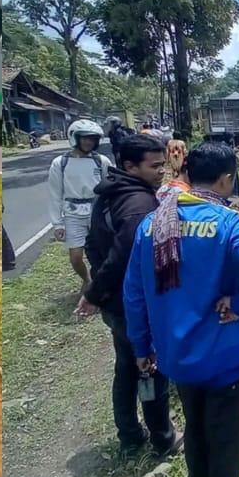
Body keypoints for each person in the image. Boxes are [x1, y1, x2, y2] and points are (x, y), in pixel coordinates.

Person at [122, 141, 239, 477]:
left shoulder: (152, 224)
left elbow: (134, 294)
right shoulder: (230, 224)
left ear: (189, 174)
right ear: (227, 179)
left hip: (177, 358)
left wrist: (141, 348)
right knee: (228, 441)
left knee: (195, 429)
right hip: (224, 359)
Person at [76, 135, 180, 457]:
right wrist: (95, 293)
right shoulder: (139, 206)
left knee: (125, 368)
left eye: (163, 164)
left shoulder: (110, 192)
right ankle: (163, 438)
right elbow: (121, 258)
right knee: (150, 368)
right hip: (134, 305)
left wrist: (98, 291)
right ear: (130, 166)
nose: (161, 171)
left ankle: (130, 435)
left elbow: (92, 244)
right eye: (155, 166)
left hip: (115, 303)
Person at [48, 120, 114, 289]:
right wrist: (57, 224)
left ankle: (102, 284)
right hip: (73, 214)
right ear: (75, 138)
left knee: (102, 252)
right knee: (76, 257)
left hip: (97, 211)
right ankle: (87, 279)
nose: (88, 142)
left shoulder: (101, 161)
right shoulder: (60, 163)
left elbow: (111, 186)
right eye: (84, 138)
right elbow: (55, 195)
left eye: (92, 138)